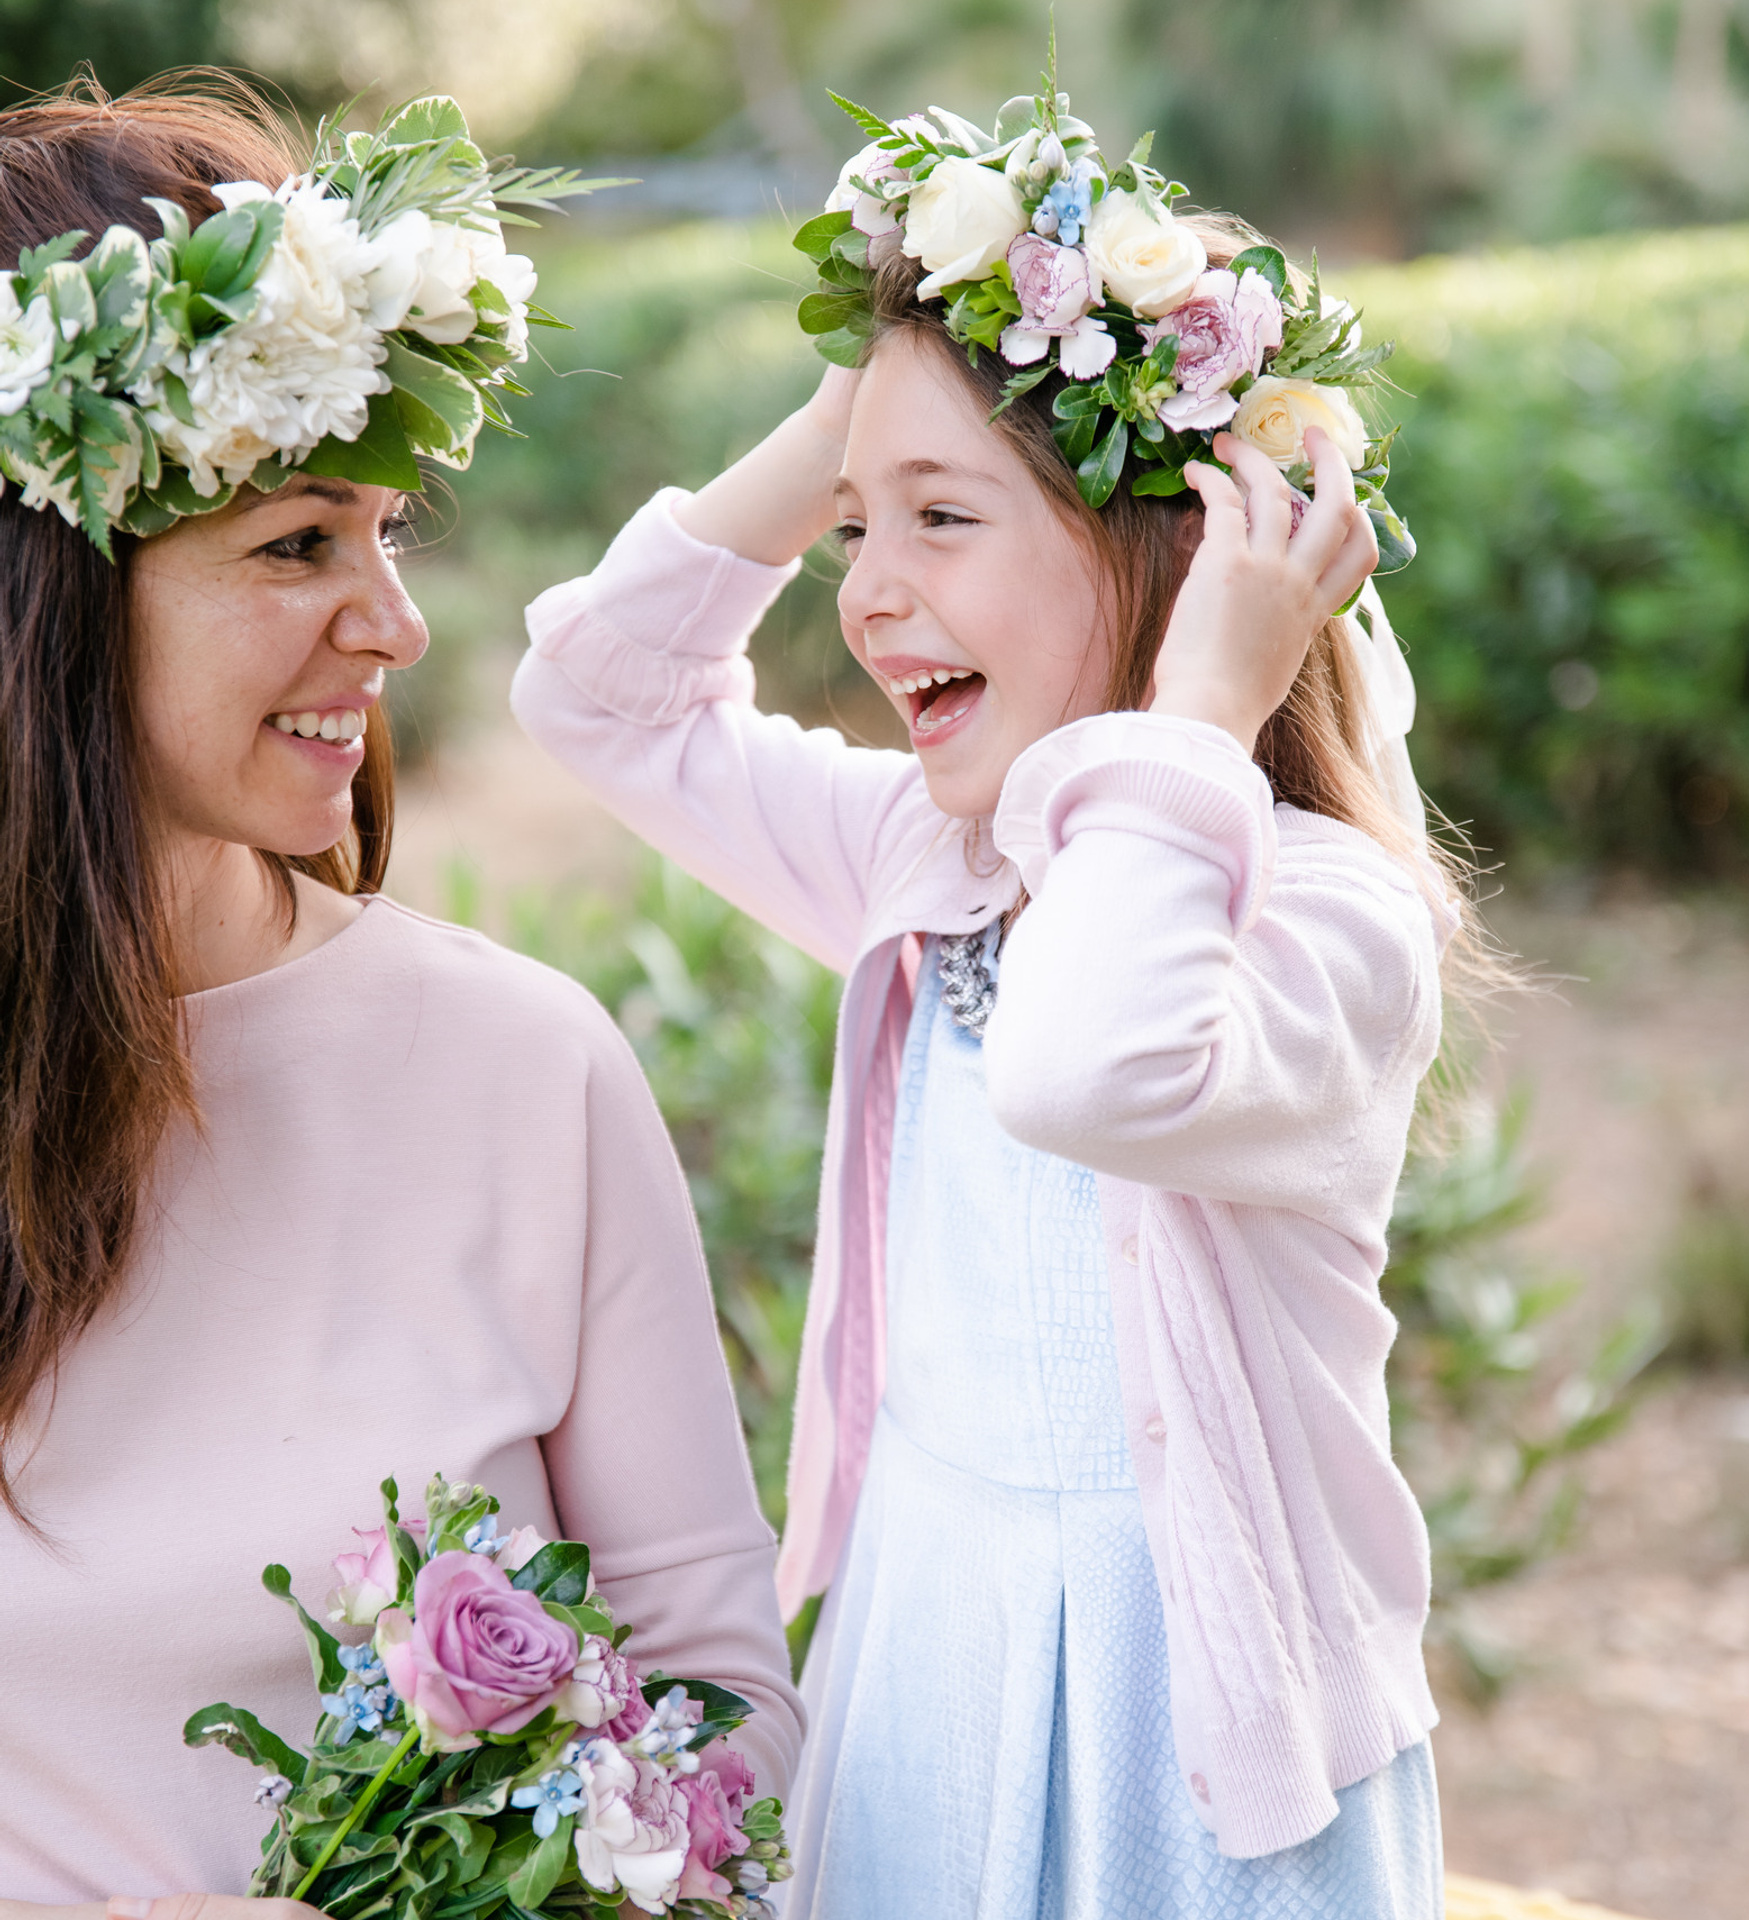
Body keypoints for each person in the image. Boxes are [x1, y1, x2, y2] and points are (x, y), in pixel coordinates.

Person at [514, 89, 1487, 1920]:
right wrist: (862, 406)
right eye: (852, 531)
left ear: (1173, 561)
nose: (869, 596)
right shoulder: (929, 854)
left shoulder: (1330, 918)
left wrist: (1192, 714)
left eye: (942, 519)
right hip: (929, 1675)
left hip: (1199, 1759)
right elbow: (598, 702)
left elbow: (1083, 1068)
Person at [0, 83, 801, 1919]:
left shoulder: (525, 1075)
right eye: (296, 545)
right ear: (43, 590)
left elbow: (723, 1706)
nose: (394, 619)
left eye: (386, 532)